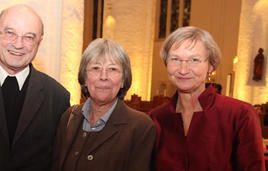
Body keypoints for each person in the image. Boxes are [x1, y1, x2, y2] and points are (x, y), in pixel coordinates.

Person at [0, 4, 70, 171]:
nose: (18, 44)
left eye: (29, 37)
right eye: (10, 33)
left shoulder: (58, 97)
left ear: (39, 42)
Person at [150, 26, 265, 170]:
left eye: (194, 60)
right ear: (167, 64)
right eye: (175, 59)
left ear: (210, 66)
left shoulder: (240, 114)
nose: (183, 69)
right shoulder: (156, 118)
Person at [52, 38, 156, 171]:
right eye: (96, 68)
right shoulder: (69, 117)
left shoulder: (141, 127)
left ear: (123, 80)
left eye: (112, 69)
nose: (103, 76)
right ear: (84, 78)